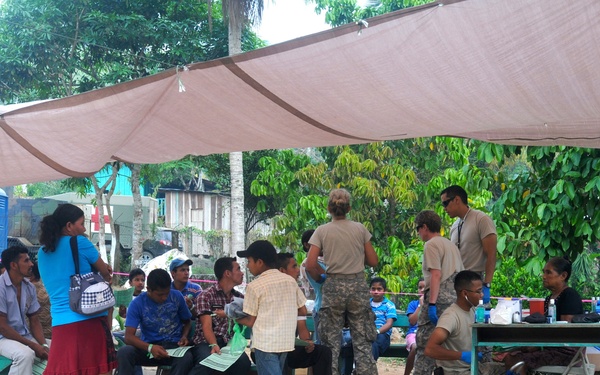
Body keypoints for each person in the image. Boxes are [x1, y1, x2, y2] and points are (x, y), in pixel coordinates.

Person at [306, 188, 379, 375]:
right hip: (357, 287)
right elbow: (373, 261)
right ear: (349, 208)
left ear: (328, 207)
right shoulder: (360, 228)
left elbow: (310, 264)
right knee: (362, 341)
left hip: (333, 287)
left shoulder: (322, 231)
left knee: (330, 343)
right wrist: (355, 258)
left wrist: (322, 278)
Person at [38, 203, 116, 375]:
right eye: (81, 224)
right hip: (90, 319)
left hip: (60, 324)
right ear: (68, 226)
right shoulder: (80, 242)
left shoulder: (42, 252)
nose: (83, 229)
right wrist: (104, 271)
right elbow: (105, 273)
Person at [502, 257, 584, 374]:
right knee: (510, 355)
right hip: (551, 348)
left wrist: (538, 346)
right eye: (544, 272)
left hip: (567, 354)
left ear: (563, 276)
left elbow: (567, 332)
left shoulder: (570, 295)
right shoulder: (549, 298)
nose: (544, 276)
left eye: (549, 272)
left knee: (514, 360)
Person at [236, 240, 307, 375]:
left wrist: (232, 316)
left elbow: (250, 321)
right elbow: (302, 310)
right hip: (285, 342)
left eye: (249, 261)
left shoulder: (255, 286)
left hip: (265, 344)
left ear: (260, 262)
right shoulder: (290, 281)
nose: (248, 266)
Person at [424, 270, 505, 375]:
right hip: (456, 372)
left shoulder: (472, 310)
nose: (481, 295)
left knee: (514, 365)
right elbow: (430, 349)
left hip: (472, 367)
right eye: (478, 291)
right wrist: (461, 355)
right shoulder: (450, 317)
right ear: (465, 293)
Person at [413, 210, 464, 375]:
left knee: (425, 345)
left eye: (417, 229)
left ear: (425, 227)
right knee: (447, 345)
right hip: (455, 300)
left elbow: (436, 274)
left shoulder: (431, 244)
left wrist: (432, 304)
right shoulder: (450, 244)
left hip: (439, 299)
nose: (418, 233)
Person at [116, 268, 194, 375]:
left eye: (166, 293)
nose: (164, 297)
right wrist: (150, 347)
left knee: (187, 357)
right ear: (148, 289)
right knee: (124, 352)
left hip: (173, 348)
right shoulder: (137, 303)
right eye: (160, 294)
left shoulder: (177, 297)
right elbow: (129, 337)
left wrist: (184, 336)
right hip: (148, 348)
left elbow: (187, 322)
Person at [190, 257, 251, 375]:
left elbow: (248, 319)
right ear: (227, 273)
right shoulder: (206, 296)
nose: (242, 272)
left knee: (243, 363)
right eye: (238, 269)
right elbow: (206, 326)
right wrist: (214, 344)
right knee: (208, 362)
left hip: (229, 343)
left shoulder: (239, 298)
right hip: (206, 342)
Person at [440, 185, 497, 306]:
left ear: (457, 200)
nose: (444, 208)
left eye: (445, 203)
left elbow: (491, 254)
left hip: (475, 279)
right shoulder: (455, 225)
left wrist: (486, 284)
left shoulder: (481, 219)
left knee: (475, 320)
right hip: (457, 280)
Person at [277, 253, 332, 375]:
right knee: (281, 355)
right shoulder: (269, 292)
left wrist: (308, 342)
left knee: (323, 352)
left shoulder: (295, 291)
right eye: (294, 267)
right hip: (270, 349)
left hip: (290, 348)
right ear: (282, 271)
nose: (298, 270)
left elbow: (301, 322)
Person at [0, 247, 49, 375]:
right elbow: (2, 327)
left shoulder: (29, 287)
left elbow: (34, 321)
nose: (31, 264)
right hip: (2, 337)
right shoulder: (0, 287)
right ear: (14, 265)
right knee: (26, 355)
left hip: (23, 336)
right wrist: (33, 345)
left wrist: (43, 345)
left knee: (56, 348)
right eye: (26, 260)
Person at [299, 229, 327, 343]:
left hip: (333, 309)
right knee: (325, 347)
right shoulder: (309, 264)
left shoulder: (328, 261)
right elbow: (326, 279)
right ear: (307, 245)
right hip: (322, 309)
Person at [404, 278, 425, 375]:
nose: (422, 290)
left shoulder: (434, 305)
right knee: (415, 347)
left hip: (429, 334)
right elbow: (412, 321)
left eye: (425, 287)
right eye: (420, 287)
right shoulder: (413, 304)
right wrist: (420, 306)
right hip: (413, 333)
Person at [29, 262, 52, 339]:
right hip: (51, 331)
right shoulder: (46, 288)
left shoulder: (27, 290)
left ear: (31, 276)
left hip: (36, 335)